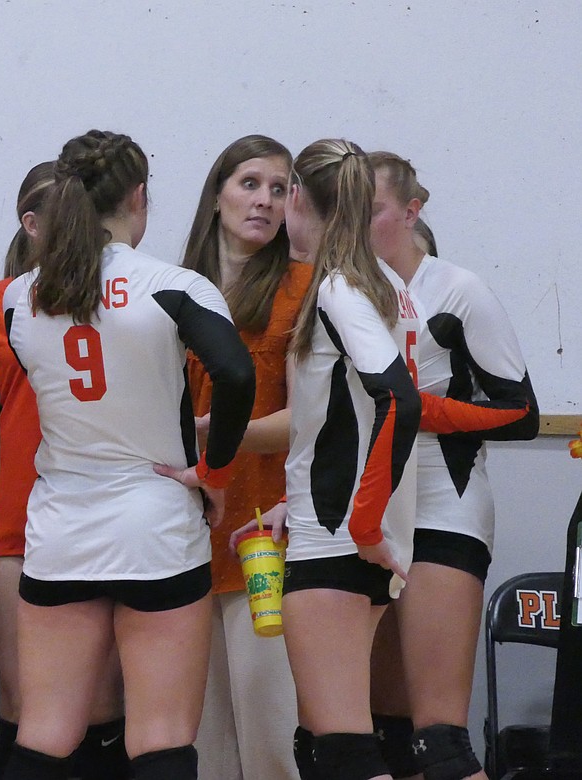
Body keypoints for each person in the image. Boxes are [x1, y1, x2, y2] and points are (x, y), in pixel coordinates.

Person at [2, 129, 256, 780]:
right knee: (163, 739)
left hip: (61, 527)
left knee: (44, 732)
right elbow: (236, 374)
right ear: (138, 196)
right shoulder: (175, 286)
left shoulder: (19, 297)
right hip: (157, 523)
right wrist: (215, 473)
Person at [233, 139, 422, 780]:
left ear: (302, 204)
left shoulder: (338, 289)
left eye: (284, 193)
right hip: (327, 528)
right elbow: (341, 420)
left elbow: (400, 399)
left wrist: (364, 525)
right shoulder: (365, 283)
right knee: (319, 746)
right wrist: (293, 498)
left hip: (340, 541)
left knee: (342, 749)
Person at [365, 151, 537, 780]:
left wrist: (417, 414)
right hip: (371, 506)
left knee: (436, 739)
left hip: (444, 497)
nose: (356, 222)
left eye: (373, 209)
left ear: (412, 212)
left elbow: (524, 413)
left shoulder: (457, 289)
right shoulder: (343, 290)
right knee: (380, 730)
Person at [0, 162, 129, 780]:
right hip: (16, 521)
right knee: (24, 707)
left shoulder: (124, 296)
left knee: (103, 707)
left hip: (104, 516)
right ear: (32, 225)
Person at [176, 134, 309, 780]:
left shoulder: (303, 289)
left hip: (268, 536)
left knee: (272, 740)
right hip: (182, 541)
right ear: (218, 193)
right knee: (201, 746)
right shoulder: (174, 289)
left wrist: (215, 432)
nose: (264, 200)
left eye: (279, 189)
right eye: (250, 183)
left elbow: (319, 418)